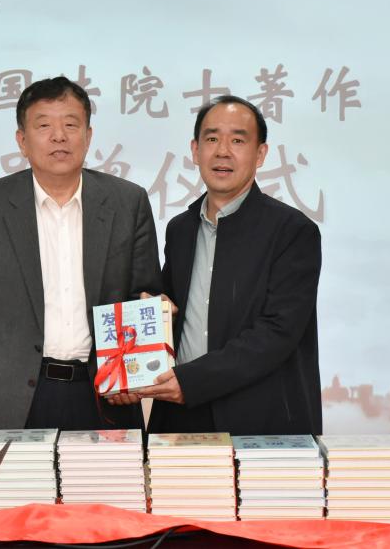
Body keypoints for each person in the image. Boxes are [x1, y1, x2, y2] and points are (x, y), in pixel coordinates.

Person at [0, 76, 162, 431]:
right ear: (22, 140)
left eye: (71, 125)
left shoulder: (128, 202)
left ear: (88, 136)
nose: (59, 136)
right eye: (44, 125)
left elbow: (144, 296)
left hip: (102, 396)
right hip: (11, 401)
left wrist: (136, 366)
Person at [137, 96, 323, 435]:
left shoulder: (292, 231)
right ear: (195, 150)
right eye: (212, 139)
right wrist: (155, 312)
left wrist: (194, 381)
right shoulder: (180, 229)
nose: (222, 151)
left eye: (238, 140)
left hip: (256, 418)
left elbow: (277, 333)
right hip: (179, 415)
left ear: (260, 154)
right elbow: (175, 311)